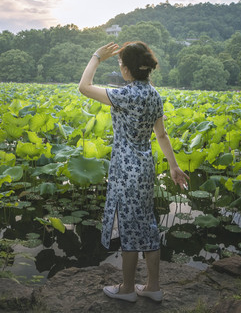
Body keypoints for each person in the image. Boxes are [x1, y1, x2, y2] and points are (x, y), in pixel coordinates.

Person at [78, 41, 189, 303]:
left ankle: (128, 288)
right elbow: (160, 134)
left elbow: (84, 87)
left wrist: (96, 56)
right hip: (145, 167)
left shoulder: (126, 95)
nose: (120, 69)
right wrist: (173, 165)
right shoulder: (154, 95)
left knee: (129, 226)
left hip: (125, 168)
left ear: (127, 70)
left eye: (120, 65)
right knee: (147, 225)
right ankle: (153, 286)